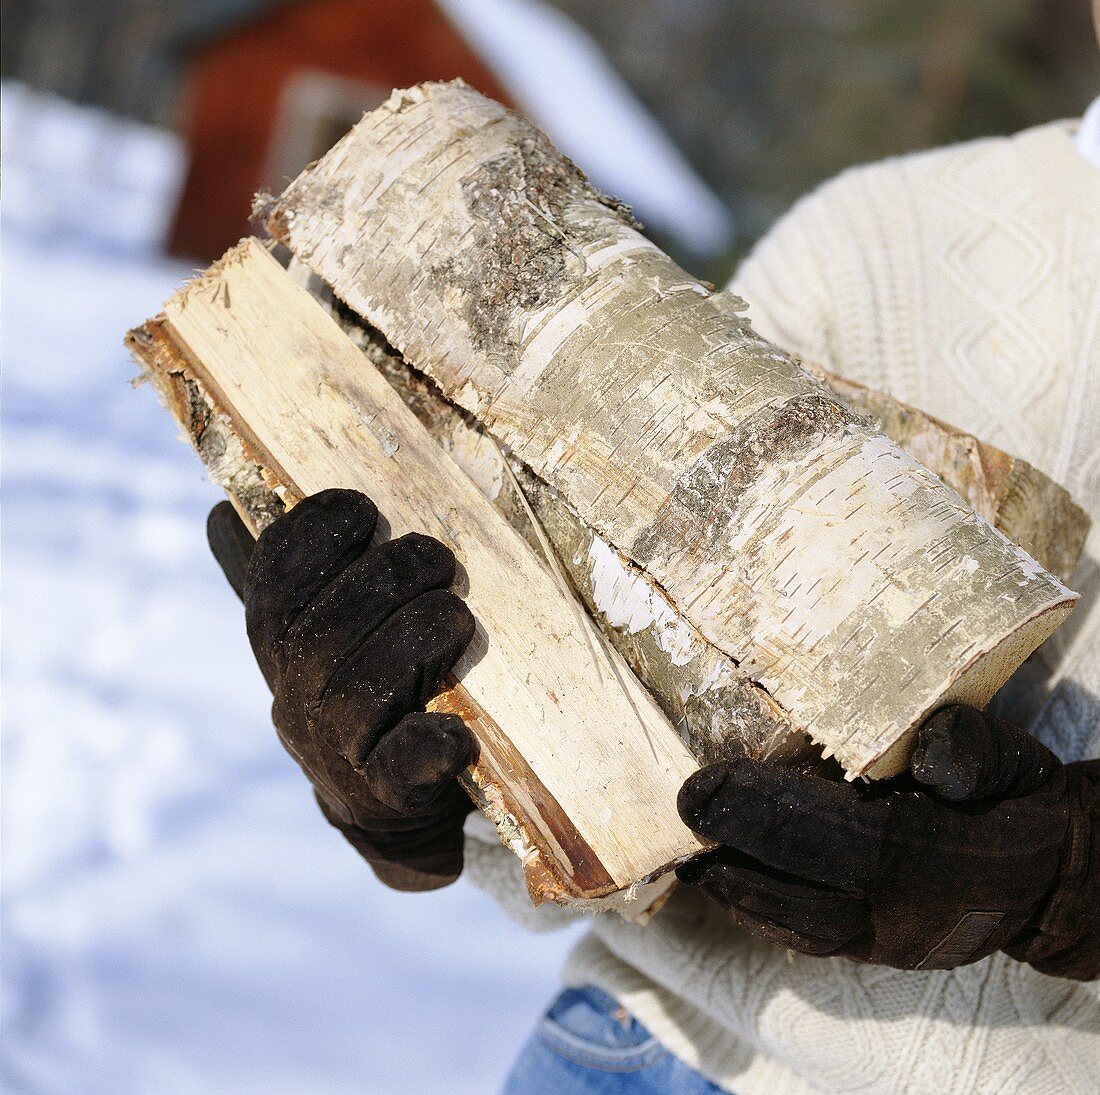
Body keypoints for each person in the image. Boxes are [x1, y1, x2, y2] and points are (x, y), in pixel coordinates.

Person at [206, 53, 1100, 1095]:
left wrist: (1073, 887)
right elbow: (635, 782)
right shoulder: (874, 240)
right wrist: (420, 772)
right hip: (651, 1057)